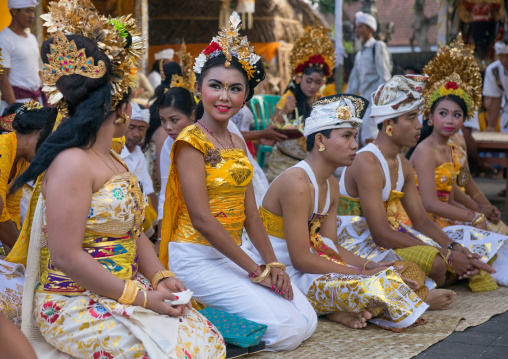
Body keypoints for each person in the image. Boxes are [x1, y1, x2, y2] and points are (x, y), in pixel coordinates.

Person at [11, 1, 225, 357]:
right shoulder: (72, 164)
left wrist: (159, 276)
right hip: (72, 301)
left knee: (207, 342)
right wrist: (141, 298)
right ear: (121, 105)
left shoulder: (112, 157)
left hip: (124, 287)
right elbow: (65, 255)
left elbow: (132, 230)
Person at [160, 12, 317, 351]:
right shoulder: (190, 140)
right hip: (195, 257)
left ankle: (219, 318)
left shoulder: (236, 141)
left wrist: (271, 263)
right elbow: (201, 219)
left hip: (232, 253)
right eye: (215, 85)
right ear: (199, 88)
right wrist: (255, 270)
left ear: (244, 96)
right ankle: (198, 321)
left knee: (307, 319)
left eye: (234, 89)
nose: (223, 96)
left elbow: (251, 214)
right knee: (289, 332)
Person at [258, 93, 435, 330]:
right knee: (379, 284)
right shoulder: (297, 183)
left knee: (405, 269)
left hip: (316, 267)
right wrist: (362, 273)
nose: (355, 145)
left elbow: (330, 245)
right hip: (286, 273)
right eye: (346, 136)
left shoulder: (330, 183)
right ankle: (404, 301)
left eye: (354, 137)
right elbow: (300, 260)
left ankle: (341, 310)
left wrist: (371, 266)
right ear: (320, 140)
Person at [337, 74, 495, 292]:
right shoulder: (367, 161)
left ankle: (431, 281)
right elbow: (380, 233)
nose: (419, 125)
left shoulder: (402, 163)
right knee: (438, 262)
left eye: (417, 117)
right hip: (357, 246)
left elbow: (421, 219)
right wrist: (446, 255)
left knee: (461, 253)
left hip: (390, 237)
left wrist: (453, 247)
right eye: (411, 118)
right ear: (389, 123)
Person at [407, 36, 508, 287]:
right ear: (430, 118)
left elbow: (456, 189)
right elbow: (430, 202)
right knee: (482, 237)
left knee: (497, 234)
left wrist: (480, 207)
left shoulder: (453, 149)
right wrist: (473, 214)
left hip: (445, 213)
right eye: (443, 113)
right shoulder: (425, 151)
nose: (449, 120)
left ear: (465, 120)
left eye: (457, 115)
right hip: (422, 218)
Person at [267, 24, 335, 182]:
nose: (312, 86)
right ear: (299, 79)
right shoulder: (290, 98)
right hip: (284, 162)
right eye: (309, 81)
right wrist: (284, 111)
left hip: (311, 163)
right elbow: (270, 130)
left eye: (317, 82)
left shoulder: (321, 100)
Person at [0, 101, 57, 251]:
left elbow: (11, 211)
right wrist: (25, 255)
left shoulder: (21, 161)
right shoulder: (2, 146)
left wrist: (16, 260)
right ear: (39, 135)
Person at [347, 11, 392, 145]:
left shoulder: (378, 46)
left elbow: (385, 77)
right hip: (361, 107)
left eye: (360, 27)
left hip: (374, 107)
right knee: (358, 144)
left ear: (370, 29)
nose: (357, 31)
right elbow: (353, 83)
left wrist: (378, 107)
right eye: (356, 27)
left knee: (371, 143)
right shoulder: (360, 53)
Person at [144, 61, 183, 195]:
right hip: (161, 191)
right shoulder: (166, 129)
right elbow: (162, 175)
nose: (169, 124)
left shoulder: (156, 106)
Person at [0, 0, 44, 114]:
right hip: (17, 104)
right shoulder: (4, 38)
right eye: (27, 11)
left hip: (36, 102)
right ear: (14, 11)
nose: (32, 16)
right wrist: (16, 110)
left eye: (33, 11)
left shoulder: (32, 38)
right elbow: (2, 78)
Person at [120, 102, 158, 237]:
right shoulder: (115, 153)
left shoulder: (138, 153)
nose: (136, 134)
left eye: (141, 128)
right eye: (131, 127)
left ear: (147, 128)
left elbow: (148, 190)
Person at [483, 40, 508, 132]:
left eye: (507, 55)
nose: (504, 60)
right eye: (501, 56)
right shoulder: (493, 70)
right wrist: (491, 126)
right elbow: (495, 98)